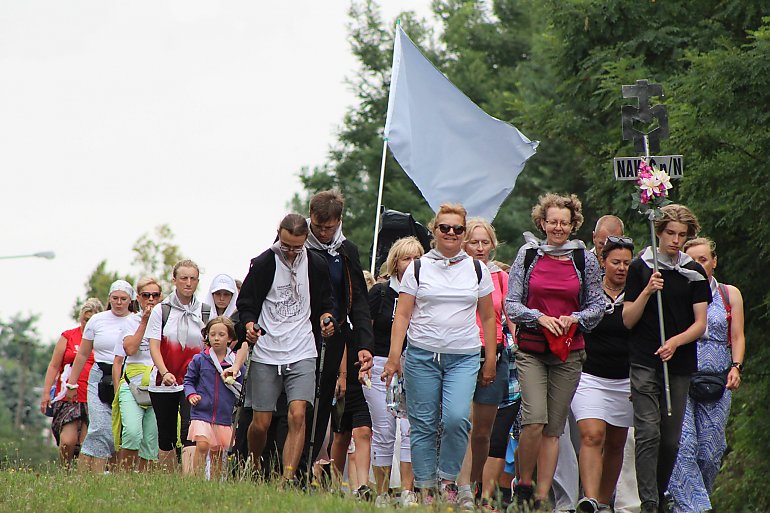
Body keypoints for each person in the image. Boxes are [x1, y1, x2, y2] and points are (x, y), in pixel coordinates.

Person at [382, 203, 497, 504]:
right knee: (423, 423)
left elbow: (487, 316)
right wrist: (394, 358)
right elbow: (403, 316)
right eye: (444, 227)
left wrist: (492, 357)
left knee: (458, 418)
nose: (451, 233)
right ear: (434, 231)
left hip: (464, 356)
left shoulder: (477, 269)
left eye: (457, 229)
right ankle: (424, 488)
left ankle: (448, 481)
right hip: (422, 355)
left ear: (463, 233)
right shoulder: (419, 268)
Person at [505, 193, 604, 512]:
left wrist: (573, 318)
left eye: (564, 222)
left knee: (554, 428)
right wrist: (539, 317)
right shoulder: (528, 254)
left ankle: (539, 498)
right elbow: (511, 303)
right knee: (533, 420)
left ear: (573, 224)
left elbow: (597, 305)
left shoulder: (583, 259)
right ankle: (522, 484)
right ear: (542, 223)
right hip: (533, 347)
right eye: (552, 222)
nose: (558, 227)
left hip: (569, 351)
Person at [622, 204, 711, 513]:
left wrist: (675, 342)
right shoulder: (640, 266)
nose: (675, 240)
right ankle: (647, 503)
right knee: (648, 431)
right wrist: (647, 290)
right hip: (645, 359)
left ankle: (659, 494)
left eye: (681, 235)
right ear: (658, 233)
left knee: (671, 440)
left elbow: (701, 324)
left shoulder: (694, 272)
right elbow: (628, 319)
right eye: (670, 233)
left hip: (679, 362)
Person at [236, 213, 336, 484]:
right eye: (286, 245)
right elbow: (246, 303)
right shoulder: (264, 262)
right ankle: (255, 465)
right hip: (268, 349)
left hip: (302, 348)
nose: (291, 251)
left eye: (297, 246)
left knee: (298, 413)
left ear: (305, 240)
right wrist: (248, 324)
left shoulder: (315, 263)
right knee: (261, 422)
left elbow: (326, 302)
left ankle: (287, 479)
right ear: (278, 234)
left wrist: (327, 318)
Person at [148, 260, 248, 473]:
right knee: (165, 435)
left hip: (193, 382)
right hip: (163, 381)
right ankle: (167, 480)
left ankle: (189, 479)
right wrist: (164, 372)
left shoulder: (205, 311)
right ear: (174, 280)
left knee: (189, 432)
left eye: (193, 278)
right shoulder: (161, 310)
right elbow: (154, 345)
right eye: (183, 278)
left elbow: (212, 341)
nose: (188, 283)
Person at [668, 237, 745, 513]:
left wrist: (736, 366)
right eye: (692, 261)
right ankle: (694, 508)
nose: (699, 265)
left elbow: (737, 335)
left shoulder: (729, 293)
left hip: (718, 378)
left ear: (714, 261)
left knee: (710, 450)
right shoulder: (678, 292)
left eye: (703, 259)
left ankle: (692, 499)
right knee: (684, 444)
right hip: (683, 375)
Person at [303, 190, 374, 469]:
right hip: (299, 333)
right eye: (318, 226)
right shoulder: (298, 245)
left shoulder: (347, 251)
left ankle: (307, 468)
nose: (322, 232)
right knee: (298, 405)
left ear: (339, 221)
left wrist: (364, 345)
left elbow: (359, 302)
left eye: (328, 227)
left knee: (323, 406)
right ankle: (283, 465)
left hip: (334, 337)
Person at [456, 218, 516, 509]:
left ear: (492, 245)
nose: (479, 248)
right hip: (462, 353)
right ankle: (462, 487)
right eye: (473, 242)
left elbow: (510, 318)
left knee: (483, 431)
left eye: (484, 242)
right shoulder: (455, 274)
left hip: (495, 354)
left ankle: (477, 486)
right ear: (463, 244)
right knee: (463, 423)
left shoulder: (501, 277)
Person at [572, 237, 635, 512]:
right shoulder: (589, 291)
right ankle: (590, 499)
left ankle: (604, 502)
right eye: (615, 262)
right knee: (592, 435)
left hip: (625, 377)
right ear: (602, 262)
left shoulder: (638, 293)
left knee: (615, 442)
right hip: (589, 375)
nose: (621, 268)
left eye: (626, 263)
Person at [364, 236, 423, 508]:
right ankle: (382, 492)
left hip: (416, 364)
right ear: (395, 262)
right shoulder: (382, 292)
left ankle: (408, 491)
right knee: (385, 429)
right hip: (380, 364)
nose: (411, 263)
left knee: (411, 428)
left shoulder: (427, 293)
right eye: (406, 258)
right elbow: (364, 327)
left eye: (416, 258)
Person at [66, 281, 137, 473]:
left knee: (122, 429)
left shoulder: (137, 321)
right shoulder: (97, 321)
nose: (119, 303)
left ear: (130, 300)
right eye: (115, 298)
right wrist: (71, 383)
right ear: (109, 299)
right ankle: (90, 474)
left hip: (127, 376)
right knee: (100, 426)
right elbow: (82, 354)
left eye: (123, 299)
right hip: (98, 376)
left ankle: (115, 472)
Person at [41, 298, 104, 467]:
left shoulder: (103, 340)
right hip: (69, 396)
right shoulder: (68, 336)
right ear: (80, 318)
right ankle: (65, 470)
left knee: (86, 444)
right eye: (85, 318)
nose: (88, 323)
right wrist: (46, 393)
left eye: (92, 319)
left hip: (93, 396)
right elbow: (54, 365)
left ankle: (81, 479)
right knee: (68, 441)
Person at [112, 276, 163, 471]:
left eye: (155, 295)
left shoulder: (166, 321)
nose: (151, 299)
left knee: (150, 442)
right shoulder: (130, 322)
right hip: (132, 384)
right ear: (139, 298)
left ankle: (143, 484)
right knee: (133, 433)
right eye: (146, 295)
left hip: (157, 384)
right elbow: (130, 350)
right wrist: (144, 322)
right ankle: (125, 478)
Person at [184, 316, 244, 478]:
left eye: (221, 335)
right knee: (202, 445)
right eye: (212, 334)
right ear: (207, 337)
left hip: (224, 415)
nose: (216, 338)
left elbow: (242, 384)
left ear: (230, 338)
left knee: (218, 452)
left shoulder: (235, 363)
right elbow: (189, 380)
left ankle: (215, 484)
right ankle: (196, 479)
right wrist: (192, 394)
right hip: (202, 412)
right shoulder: (200, 359)